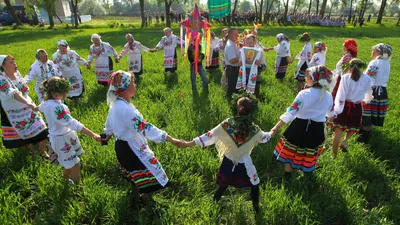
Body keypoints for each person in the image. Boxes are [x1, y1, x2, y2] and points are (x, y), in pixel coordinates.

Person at [179, 94, 272, 213]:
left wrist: (189, 143)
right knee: (255, 183)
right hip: (245, 161)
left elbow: (209, 135)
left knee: (224, 183)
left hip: (229, 159)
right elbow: (265, 137)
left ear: (238, 109)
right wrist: (273, 131)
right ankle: (256, 208)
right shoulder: (255, 129)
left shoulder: (228, 124)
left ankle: (215, 201)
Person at [102, 70, 182, 201]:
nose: (135, 84)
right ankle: (147, 201)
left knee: (137, 172)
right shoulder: (126, 110)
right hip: (131, 148)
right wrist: (171, 139)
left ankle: (141, 194)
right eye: (132, 82)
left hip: (122, 146)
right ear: (123, 89)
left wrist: (107, 135)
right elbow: (145, 127)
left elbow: (109, 125)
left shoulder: (116, 105)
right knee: (150, 170)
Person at [270, 66, 334, 179]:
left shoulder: (304, 94)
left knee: (291, 154)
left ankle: (287, 177)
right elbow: (330, 115)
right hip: (317, 129)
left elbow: (290, 112)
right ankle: (307, 175)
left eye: (307, 76)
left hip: (298, 128)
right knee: (309, 153)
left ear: (314, 79)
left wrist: (276, 127)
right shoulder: (328, 96)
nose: (305, 78)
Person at [38, 77, 101, 185]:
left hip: (60, 137)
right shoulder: (58, 107)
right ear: (56, 93)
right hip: (62, 138)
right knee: (75, 164)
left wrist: (31, 107)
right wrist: (93, 135)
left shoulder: (45, 103)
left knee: (69, 162)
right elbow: (73, 123)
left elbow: (38, 108)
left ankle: (66, 180)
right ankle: (77, 186)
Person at [0, 55, 49, 157]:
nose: (14, 63)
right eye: (11, 62)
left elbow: (24, 88)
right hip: (14, 110)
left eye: (14, 60)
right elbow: (13, 93)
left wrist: (28, 102)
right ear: (3, 66)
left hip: (28, 105)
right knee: (23, 132)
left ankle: (43, 151)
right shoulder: (1, 79)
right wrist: (27, 103)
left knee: (41, 127)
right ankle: (32, 151)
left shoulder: (16, 73)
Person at [327, 59, 373, 156]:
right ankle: (345, 141)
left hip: (344, 106)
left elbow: (341, 94)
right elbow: (369, 93)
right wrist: (366, 100)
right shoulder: (367, 79)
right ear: (361, 67)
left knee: (338, 131)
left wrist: (337, 109)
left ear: (349, 67)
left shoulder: (345, 77)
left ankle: (334, 155)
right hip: (356, 107)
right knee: (352, 127)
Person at [358, 43, 392, 143]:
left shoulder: (375, 62)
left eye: (373, 50)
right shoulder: (387, 63)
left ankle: (363, 138)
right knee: (372, 114)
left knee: (366, 114)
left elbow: (369, 78)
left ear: (379, 52)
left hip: (372, 91)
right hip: (382, 92)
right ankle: (367, 132)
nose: (372, 52)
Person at [224, 28, 240, 98]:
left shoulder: (233, 43)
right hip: (232, 69)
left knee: (234, 87)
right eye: (235, 33)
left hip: (234, 68)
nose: (238, 35)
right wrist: (243, 58)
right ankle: (231, 102)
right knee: (232, 88)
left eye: (237, 33)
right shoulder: (230, 45)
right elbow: (232, 60)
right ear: (230, 35)